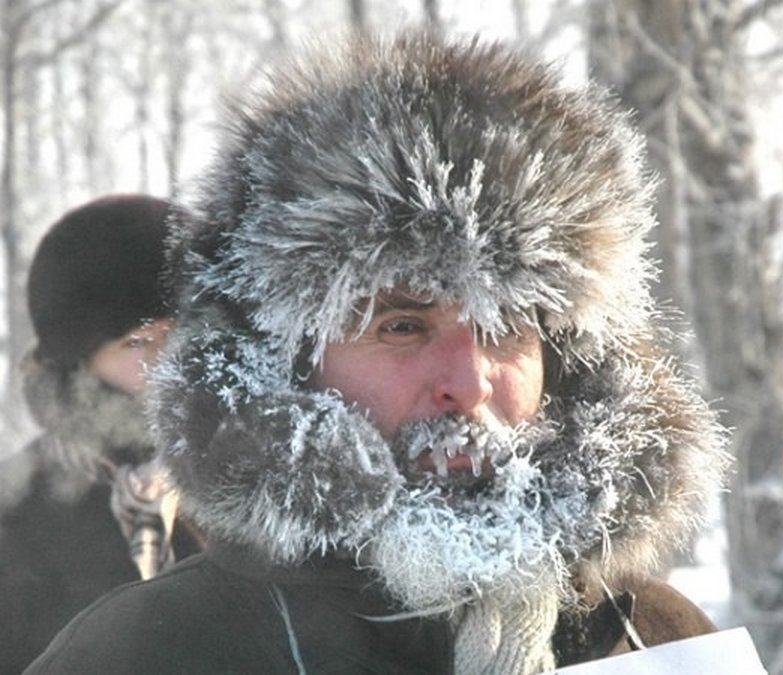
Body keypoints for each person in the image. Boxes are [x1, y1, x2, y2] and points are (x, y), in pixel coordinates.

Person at [27, 33, 729, 674]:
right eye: (401, 326)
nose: (469, 383)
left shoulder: (657, 632)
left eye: (510, 323)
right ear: (287, 363)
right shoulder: (144, 654)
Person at [0, 195, 202, 674]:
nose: (174, 362)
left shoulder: (269, 489)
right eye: (139, 342)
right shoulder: (16, 519)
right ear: (77, 364)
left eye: (188, 332)